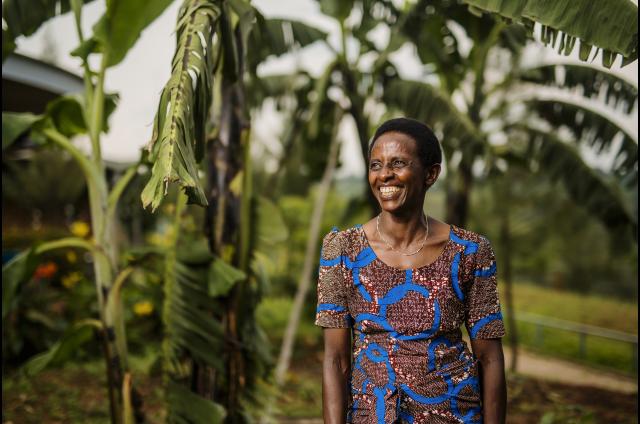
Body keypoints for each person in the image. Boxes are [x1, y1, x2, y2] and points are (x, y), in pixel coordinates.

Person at [315, 117, 506, 423]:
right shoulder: (342, 250)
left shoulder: (470, 251)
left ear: (430, 174)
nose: (384, 175)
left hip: (453, 414)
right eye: (376, 165)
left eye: (398, 163)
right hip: (372, 414)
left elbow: (490, 357)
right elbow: (335, 360)